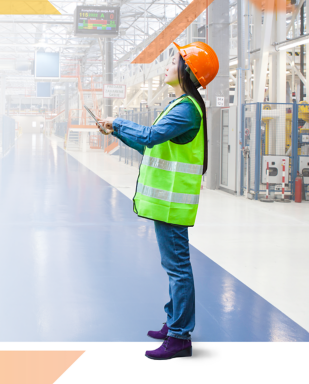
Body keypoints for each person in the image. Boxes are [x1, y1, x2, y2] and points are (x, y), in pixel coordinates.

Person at [97, 41, 218, 360]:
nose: (166, 66)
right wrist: (116, 132)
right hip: (167, 202)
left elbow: (150, 136)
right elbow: (152, 145)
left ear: (187, 71)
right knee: (173, 265)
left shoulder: (186, 109)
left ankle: (180, 336)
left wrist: (118, 121)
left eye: (173, 61)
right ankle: (173, 322)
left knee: (178, 267)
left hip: (172, 204)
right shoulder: (181, 105)